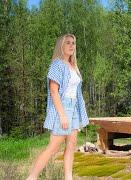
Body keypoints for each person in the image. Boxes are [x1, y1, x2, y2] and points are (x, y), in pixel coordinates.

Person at [27, 34, 89, 180]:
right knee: (53, 147)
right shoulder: (57, 64)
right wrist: (62, 115)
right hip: (63, 107)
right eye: (68, 43)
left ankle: (68, 177)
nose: (71, 46)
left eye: (73, 43)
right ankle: (32, 177)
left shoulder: (73, 66)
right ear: (61, 46)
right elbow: (54, 91)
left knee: (71, 145)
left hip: (74, 108)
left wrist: (79, 114)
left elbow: (77, 93)